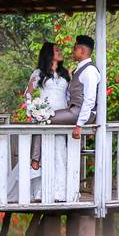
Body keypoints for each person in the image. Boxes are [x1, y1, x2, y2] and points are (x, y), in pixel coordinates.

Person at [30, 35, 100, 168]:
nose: (71, 52)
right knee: (41, 117)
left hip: (79, 113)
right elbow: (70, 95)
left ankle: (35, 159)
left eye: (74, 49)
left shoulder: (89, 71)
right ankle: (37, 159)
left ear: (82, 50)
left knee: (42, 118)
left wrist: (79, 125)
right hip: (73, 111)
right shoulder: (78, 70)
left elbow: (90, 100)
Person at [26, 42, 70, 170]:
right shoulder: (39, 73)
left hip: (63, 116)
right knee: (45, 148)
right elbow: (28, 93)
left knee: (60, 150)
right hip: (46, 116)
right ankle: (36, 161)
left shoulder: (65, 73)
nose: (60, 52)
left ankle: (61, 186)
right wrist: (33, 110)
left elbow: (68, 96)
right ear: (49, 55)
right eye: (57, 50)